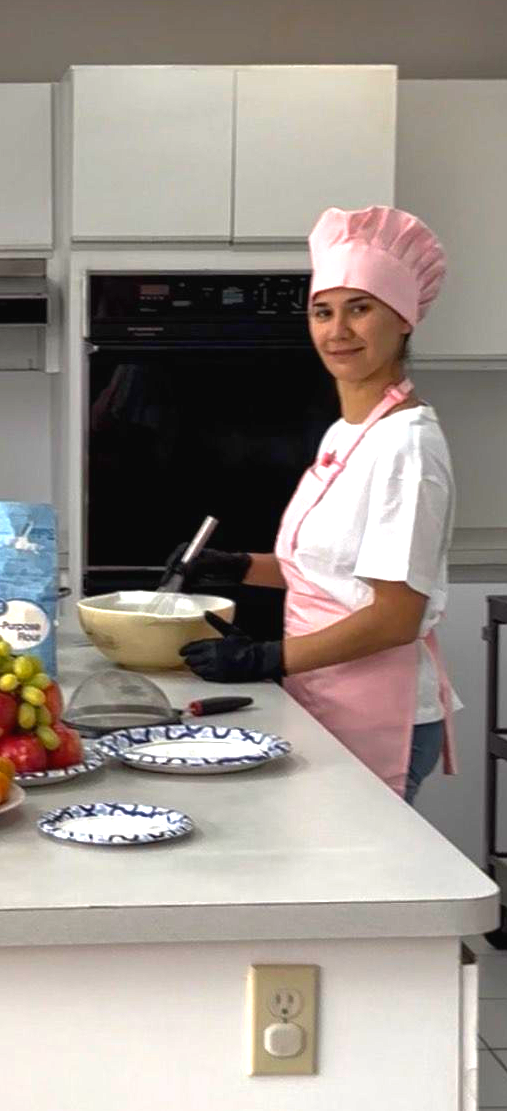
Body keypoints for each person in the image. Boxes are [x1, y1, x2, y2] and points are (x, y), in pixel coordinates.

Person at [166, 206, 456, 804]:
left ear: (403, 320)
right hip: (322, 695)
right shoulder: (347, 432)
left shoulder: (408, 446)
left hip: (379, 707)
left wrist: (266, 657)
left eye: (361, 308)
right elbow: (331, 573)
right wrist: (239, 566)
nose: (338, 330)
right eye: (323, 311)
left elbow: (394, 616)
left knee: (359, 887)